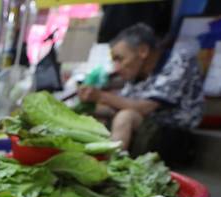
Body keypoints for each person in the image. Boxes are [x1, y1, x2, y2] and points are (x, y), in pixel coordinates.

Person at [78, 23, 204, 162]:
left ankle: (114, 167)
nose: (116, 68)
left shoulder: (179, 61)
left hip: (174, 138)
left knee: (126, 116)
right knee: (89, 116)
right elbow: (118, 106)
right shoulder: (137, 73)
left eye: (119, 59)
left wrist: (102, 96)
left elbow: (144, 108)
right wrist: (88, 105)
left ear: (143, 51)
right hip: (145, 131)